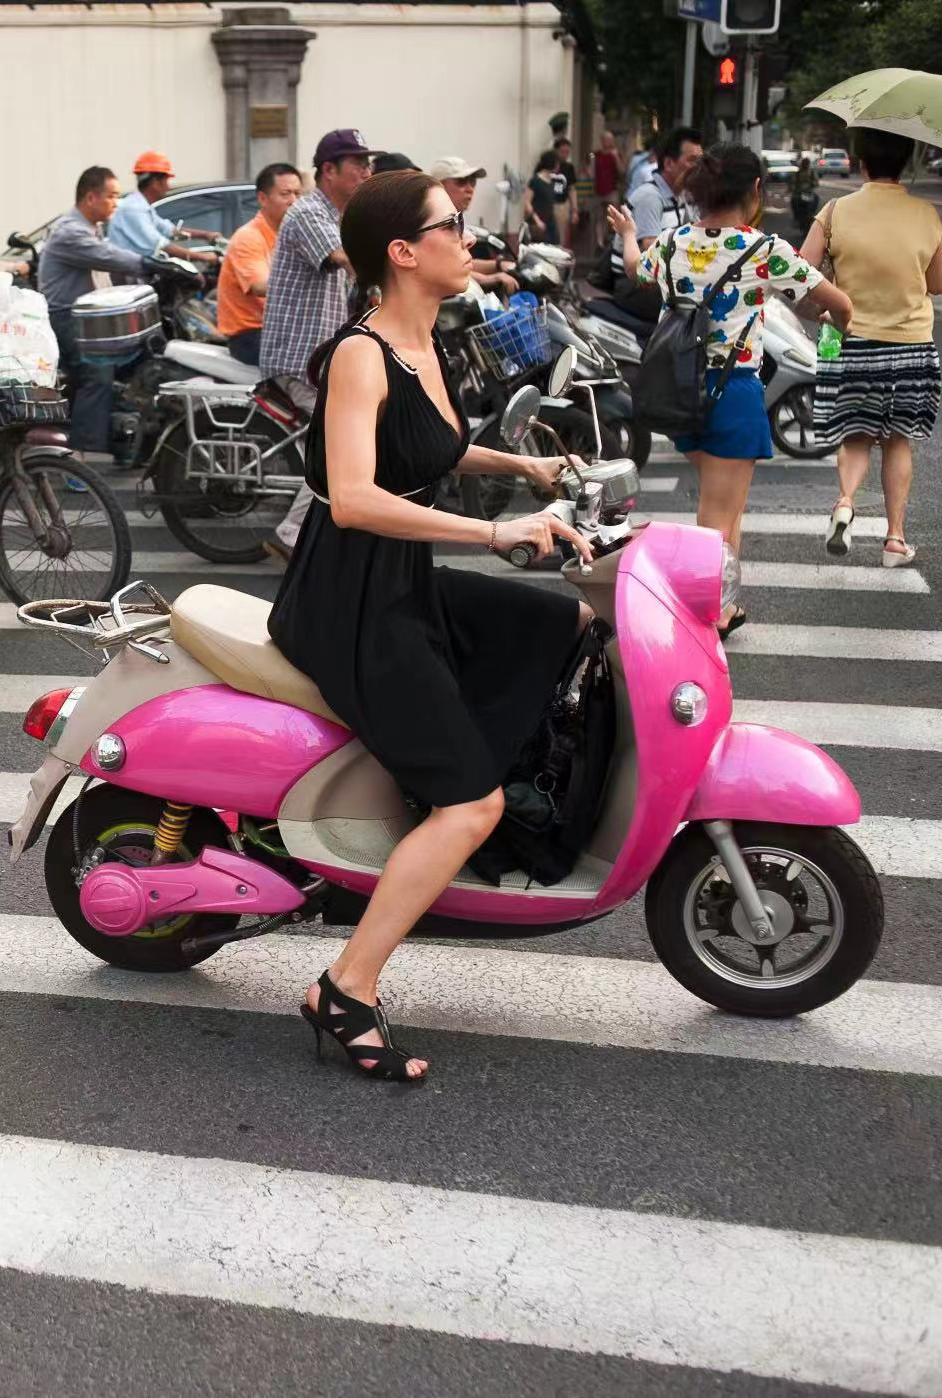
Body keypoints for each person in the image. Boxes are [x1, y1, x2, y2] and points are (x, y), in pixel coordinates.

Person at [267, 171, 587, 1083]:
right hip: (351, 599)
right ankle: (346, 986)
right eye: (452, 225)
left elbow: (431, 448)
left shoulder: (424, 339)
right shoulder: (359, 355)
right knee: (470, 801)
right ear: (404, 253)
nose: (468, 235)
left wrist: (528, 468)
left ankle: (465, 794)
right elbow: (360, 498)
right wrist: (495, 530)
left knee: (560, 623)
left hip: (401, 578)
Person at [608, 145, 853, 632]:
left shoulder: (674, 243)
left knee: (727, 508)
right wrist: (836, 331)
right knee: (718, 514)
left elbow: (636, 270)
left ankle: (725, 602)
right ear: (755, 191)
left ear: (697, 193)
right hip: (731, 392)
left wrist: (630, 235)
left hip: (677, 391)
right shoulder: (764, 251)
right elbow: (838, 303)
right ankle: (710, 614)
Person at [800, 127, 942, 570]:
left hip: (853, 344)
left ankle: (845, 502)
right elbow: (937, 284)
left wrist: (827, 306)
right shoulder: (927, 214)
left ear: (861, 163)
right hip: (910, 346)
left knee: (857, 435)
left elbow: (800, 270)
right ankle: (895, 540)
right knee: (899, 440)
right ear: (905, 162)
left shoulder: (836, 210)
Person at [262, 127, 379, 558]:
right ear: (329, 170)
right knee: (343, 438)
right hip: (298, 358)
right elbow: (346, 258)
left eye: (369, 164)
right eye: (358, 165)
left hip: (325, 356)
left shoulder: (338, 216)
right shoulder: (308, 213)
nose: (367, 172)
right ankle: (291, 533)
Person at [37, 166, 149, 461]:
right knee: (97, 370)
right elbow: (110, 257)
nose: (117, 202)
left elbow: (115, 265)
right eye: (111, 196)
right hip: (64, 319)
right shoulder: (70, 232)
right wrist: (148, 264)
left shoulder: (94, 229)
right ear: (90, 198)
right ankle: (78, 455)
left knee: (137, 357)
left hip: (89, 319)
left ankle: (122, 439)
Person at [612, 126, 701, 322]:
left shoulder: (679, 197)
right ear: (669, 163)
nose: (698, 167)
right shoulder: (651, 197)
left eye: (700, 162)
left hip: (655, 279)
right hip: (633, 284)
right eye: (692, 161)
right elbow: (651, 254)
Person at [216, 162, 301, 366]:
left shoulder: (287, 234)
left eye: (298, 193)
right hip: (252, 337)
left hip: (279, 329)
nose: (294, 201)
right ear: (263, 198)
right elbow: (260, 286)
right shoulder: (249, 237)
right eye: (286, 194)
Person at [107, 151, 218, 264]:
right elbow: (160, 245)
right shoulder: (133, 209)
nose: (168, 186)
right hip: (127, 275)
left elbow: (168, 230)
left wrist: (206, 235)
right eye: (166, 181)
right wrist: (203, 257)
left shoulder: (143, 207)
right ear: (155, 182)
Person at [426, 155, 516, 295]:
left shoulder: (454, 221)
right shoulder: (430, 224)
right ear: (440, 186)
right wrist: (485, 278)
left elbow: (461, 263)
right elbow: (435, 268)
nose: (470, 189)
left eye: (472, 182)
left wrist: (499, 265)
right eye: (461, 181)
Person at [523, 149, 567, 247]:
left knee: (555, 247)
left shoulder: (553, 181)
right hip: (538, 222)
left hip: (550, 222)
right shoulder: (535, 180)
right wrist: (537, 220)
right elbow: (527, 202)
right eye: (557, 163)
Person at [789, 154, 821, 239]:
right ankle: (796, 217)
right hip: (799, 194)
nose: (806, 165)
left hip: (809, 193)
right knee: (793, 200)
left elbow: (816, 182)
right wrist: (793, 188)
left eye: (807, 163)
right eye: (805, 163)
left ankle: (812, 214)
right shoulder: (797, 173)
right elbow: (793, 183)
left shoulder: (812, 173)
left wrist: (812, 184)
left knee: (816, 198)